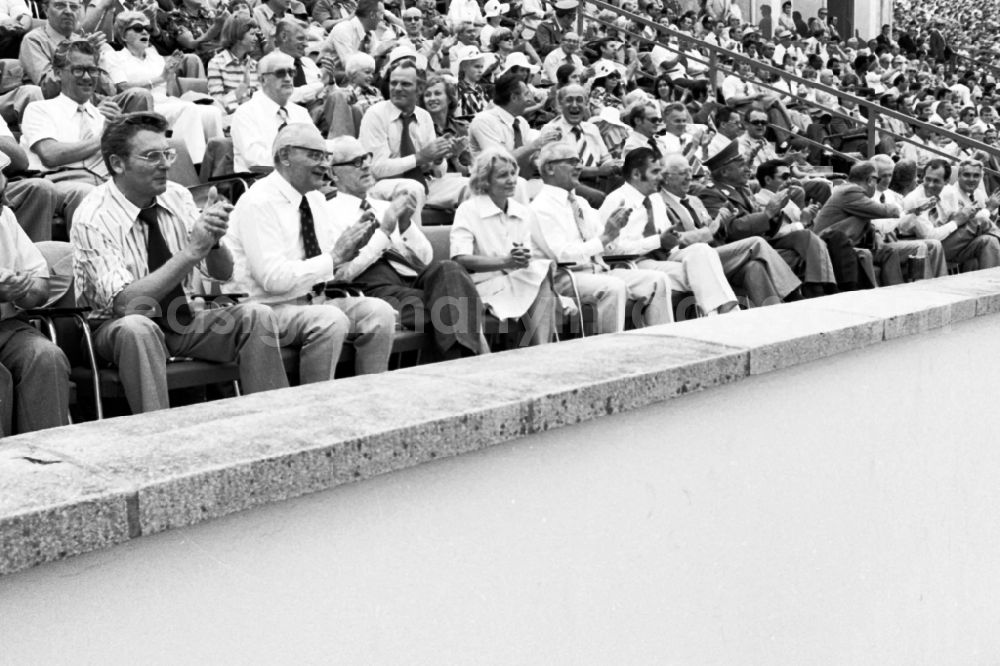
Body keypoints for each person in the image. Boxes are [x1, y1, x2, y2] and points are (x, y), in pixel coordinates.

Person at [71, 112, 289, 414]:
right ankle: (160, 435)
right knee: (138, 328)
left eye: (167, 153)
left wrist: (212, 240)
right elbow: (126, 305)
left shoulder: (177, 196)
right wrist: (191, 252)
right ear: (118, 164)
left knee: (257, 315)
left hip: (180, 318)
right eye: (151, 156)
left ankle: (273, 423)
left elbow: (222, 273)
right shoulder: (92, 217)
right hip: (112, 330)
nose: (165, 164)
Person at [225, 124, 397, 381]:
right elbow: (272, 280)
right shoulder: (258, 202)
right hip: (267, 309)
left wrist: (353, 249)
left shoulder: (315, 199)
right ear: (285, 157)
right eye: (315, 156)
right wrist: (334, 257)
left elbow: (330, 269)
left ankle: (368, 401)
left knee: (379, 313)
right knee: (330, 320)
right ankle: (316, 409)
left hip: (314, 301)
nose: (325, 165)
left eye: (326, 157)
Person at [326, 136, 487, 359]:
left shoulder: (384, 206)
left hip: (409, 280)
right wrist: (385, 231)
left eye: (366, 158)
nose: (365, 165)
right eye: (355, 162)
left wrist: (405, 226)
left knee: (448, 270)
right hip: (371, 287)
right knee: (456, 307)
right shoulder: (327, 212)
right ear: (334, 174)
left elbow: (425, 259)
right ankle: (470, 361)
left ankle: (463, 361)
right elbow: (342, 273)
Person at [530, 142, 673, 332]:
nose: (579, 167)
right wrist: (605, 237)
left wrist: (614, 231)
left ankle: (663, 342)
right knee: (613, 287)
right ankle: (609, 351)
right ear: (549, 168)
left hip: (598, 270)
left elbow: (607, 246)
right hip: (566, 278)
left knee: (657, 280)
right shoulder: (541, 207)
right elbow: (563, 256)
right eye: (572, 161)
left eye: (579, 161)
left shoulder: (579, 202)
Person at [599, 148, 744, 316]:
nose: (661, 177)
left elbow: (667, 239)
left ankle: (722, 312)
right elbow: (609, 250)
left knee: (702, 251)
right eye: (655, 172)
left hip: (665, 256)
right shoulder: (616, 200)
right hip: (635, 262)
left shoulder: (655, 198)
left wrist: (672, 240)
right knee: (700, 274)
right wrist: (657, 241)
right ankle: (725, 315)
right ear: (637, 174)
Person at [658, 153, 801, 307]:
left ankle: (772, 314)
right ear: (666, 177)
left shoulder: (694, 200)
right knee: (756, 243)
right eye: (682, 174)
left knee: (754, 267)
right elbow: (674, 240)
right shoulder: (660, 203)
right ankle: (794, 296)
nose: (688, 178)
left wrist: (721, 224)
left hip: (714, 253)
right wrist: (712, 229)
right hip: (691, 258)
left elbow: (716, 233)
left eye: (689, 172)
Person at [699, 140, 839, 297]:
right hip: (741, 248)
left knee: (805, 236)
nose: (747, 170)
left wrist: (776, 211)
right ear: (724, 173)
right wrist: (768, 213)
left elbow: (763, 218)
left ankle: (821, 287)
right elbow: (730, 230)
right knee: (759, 261)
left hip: (763, 237)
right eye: (741, 166)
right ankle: (795, 295)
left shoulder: (741, 189)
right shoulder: (711, 194)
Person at [451, 147, 558, 346]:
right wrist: (505, 261)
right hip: (480, 286)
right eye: (502, 176)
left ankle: (542, 350)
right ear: (485, 180)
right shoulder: (468, 210)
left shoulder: (521, 211)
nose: (511, 180)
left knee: (541, 271)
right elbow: (460, 259)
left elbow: (523, 257)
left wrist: (520, 259)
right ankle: (542, 350)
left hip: (514, 280)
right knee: (539, 278)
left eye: (512, 174)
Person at [0, 149, 70, 436]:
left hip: (6, 327)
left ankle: (47, 462)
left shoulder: (5, 216)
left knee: (46, 356)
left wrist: (24, 291)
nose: (6, 201)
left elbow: (41, 283)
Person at [104, 11, 225, 165]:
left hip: (166, 102)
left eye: (147, 28)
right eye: (137, 28)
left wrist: (170, 75)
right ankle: (194, 165)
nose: (144, 32)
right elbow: (123, 88)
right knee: (188, 109)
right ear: (123, 35)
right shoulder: (114, 57)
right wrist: (160, 78)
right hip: (141, 106)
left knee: (211, 113)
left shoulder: (154, 55)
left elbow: (170, 92)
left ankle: (220, 165)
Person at [21, 40, 118, 229]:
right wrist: (103, 139)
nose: (87, 77)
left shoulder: (103, 116)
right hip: (59, 182)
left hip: (106, 180)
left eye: (92, 70)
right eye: (78, 70)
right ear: (58, 73)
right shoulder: (40, 109)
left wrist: (122, 134)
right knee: (89, 194)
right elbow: (51, 155)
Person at [358, 59, 467, 211]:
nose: (397, 88)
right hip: (382, 184)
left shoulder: (424, 116)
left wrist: (438, 158)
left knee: (470, 185)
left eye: (405, 84)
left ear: (420, 89)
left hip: (425, 182)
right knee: (413, 189)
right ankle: (412, 235)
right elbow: (376, 168)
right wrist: (419, 158)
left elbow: (439, 173)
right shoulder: (375, 114)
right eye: (393, 83)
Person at [901, 158, 1000, 269]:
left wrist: (962, 217)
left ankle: (992, 283)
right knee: (979, 221)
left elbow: (954, 218)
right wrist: (956, 222)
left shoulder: (949, 192)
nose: (930, 185)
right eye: (927, 179)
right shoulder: (914, 200)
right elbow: (929, 237)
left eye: (936, 181)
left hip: (949, 242)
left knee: (989, 241)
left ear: (947, 181)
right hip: (927, 248)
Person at [231, 50, 313, 173]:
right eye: (280, 73)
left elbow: (317, 148)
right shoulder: (246, 113)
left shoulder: (301, 112)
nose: (288, 78)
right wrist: (301, 160)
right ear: (263, 80)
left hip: (303, 182)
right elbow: (256, 160)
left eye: (291, 72)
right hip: (261, 183)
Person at [541, 83, 621, 208]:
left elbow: (605, 158)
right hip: (571, 183)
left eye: (579, 100)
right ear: (560, 105)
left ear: (586, 105)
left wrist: (613, 165)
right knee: (600, 198)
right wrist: (599, 171)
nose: (574, 105)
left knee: (628, 188)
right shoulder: (551, 130)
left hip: (599, 179)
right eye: (569, 100)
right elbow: (561, 169)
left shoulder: (592, 128)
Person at [206, 12, 262, 116]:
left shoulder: (254, 65)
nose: (256, 39)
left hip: (254, 118)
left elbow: (260, 100)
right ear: (238, 36)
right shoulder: (216, 63)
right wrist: (240, 91)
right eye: (252, 34)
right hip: (229, 121)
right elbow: (216, 105)